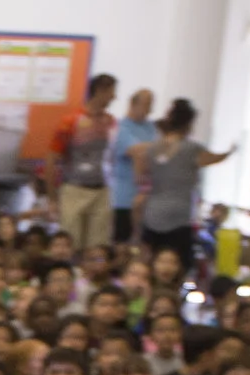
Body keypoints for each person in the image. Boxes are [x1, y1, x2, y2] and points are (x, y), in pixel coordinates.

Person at [129, 98, 227, 269]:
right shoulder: (191, 149)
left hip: (152, 213)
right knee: (178, 265)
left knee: (153, 264)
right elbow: (215, 158)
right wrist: (231, 151)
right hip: (179, 217)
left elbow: (139, 171)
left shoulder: (151, 148)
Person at [48, 72, 118, 255]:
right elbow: (52, 158)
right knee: (71, 242)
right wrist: (52, 197)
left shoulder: (111, 122)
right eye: (111, 92)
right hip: (74, 189)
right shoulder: (71, 121)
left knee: (98, 247)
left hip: (102, 190)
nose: (114, 97)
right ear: (100, 91)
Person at [105, 86, 156, 245]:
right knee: (122, 243)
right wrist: (156, 147)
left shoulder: (151, 127)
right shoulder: (121, 127)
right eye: (146, 104)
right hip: (124, 198)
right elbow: (134, 150)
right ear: (133, 104)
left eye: (151, 105)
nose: (150, 109)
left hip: (147, 199)